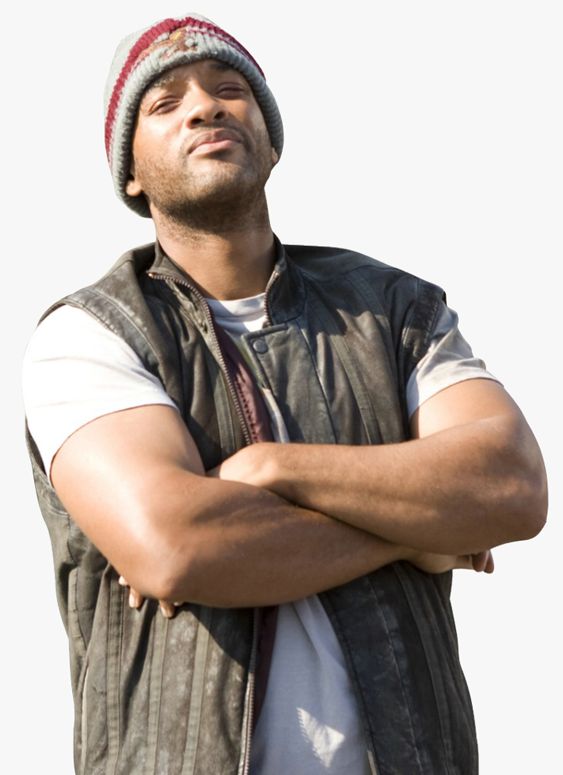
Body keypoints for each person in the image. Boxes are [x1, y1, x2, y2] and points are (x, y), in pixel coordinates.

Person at [23, 13, 547, 775]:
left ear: (270, 139)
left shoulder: (393, 310)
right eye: (165, 103)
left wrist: (270, 468)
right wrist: (422, 536)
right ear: (128, 172)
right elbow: (174, 546)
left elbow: (510, 485)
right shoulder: (91, 334)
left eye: (230, 90)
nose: (204, 106)